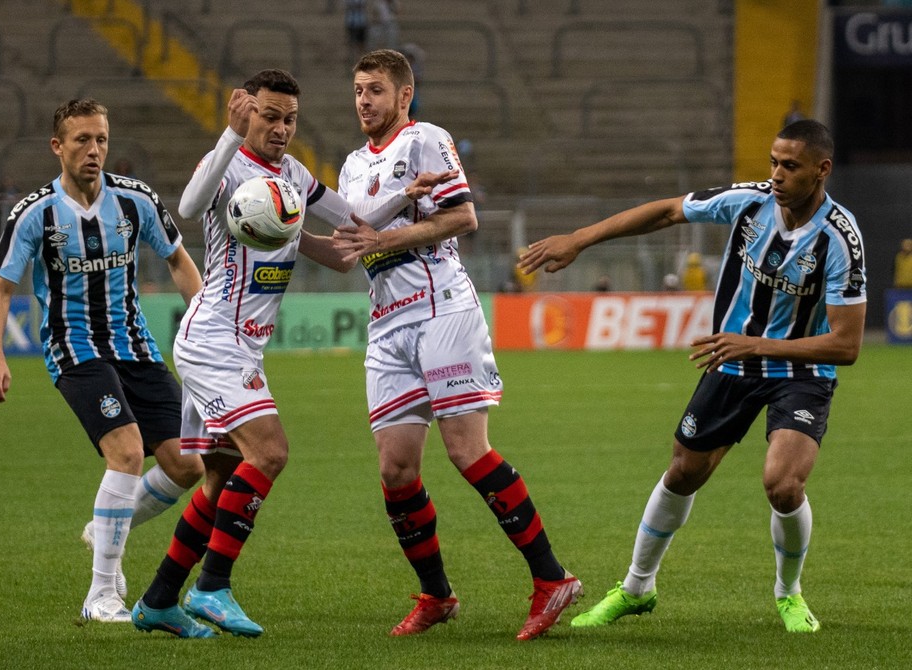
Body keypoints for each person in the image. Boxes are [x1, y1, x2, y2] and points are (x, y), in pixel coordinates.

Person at [129, 69, 453, 639]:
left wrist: (405, 197)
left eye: (290, 120)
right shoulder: (228, 164)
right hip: (213, 340)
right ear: (247, 113)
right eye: (270, 116)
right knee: (270, 452)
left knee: (220, 479)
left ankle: (158, 601)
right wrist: (229, 135)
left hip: (244, 347)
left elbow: (350, 229)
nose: (281, 129)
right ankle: (212, 588)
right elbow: (189, 205)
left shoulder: (296, 176)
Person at [519, 119, 866, 634]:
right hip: (732, 360)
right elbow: (666, 211)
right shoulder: (749, 202)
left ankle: (788, 593)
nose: (776, 174)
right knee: (683, 471)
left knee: (783, 484)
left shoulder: (840, 238)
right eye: (774, 161)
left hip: (800, 369)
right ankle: (637, 587)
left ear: (822, 170)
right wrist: (580, 239)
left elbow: (846, 344)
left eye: (790, 166)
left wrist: (757, 343)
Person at [333, 49, 580, 641]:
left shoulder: (426, 139)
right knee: (395, 469)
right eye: (358, 90)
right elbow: (352, 242)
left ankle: (552, 579)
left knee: (467, 451)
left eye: (375, 90)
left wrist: (381, 241)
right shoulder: (350, 166)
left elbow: (463, 218)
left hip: (440, 307)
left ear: (404, 95)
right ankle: (437, 596)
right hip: (386, 322)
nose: (364, 100)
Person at [0, 98, 205, 623]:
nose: (94, 150)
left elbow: (177, 260)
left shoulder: (136, 200)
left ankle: (103, 527)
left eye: (101, 139)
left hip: (136, 346)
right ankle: (102, 593)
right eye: (82, 140)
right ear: (57, 146)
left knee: (187, 464)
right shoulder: (36, 213)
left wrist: (205, 327)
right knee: (126, 452)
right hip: (75, 349)